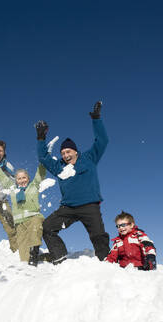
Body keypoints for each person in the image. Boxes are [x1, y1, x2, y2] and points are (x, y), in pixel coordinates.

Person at [35, 101, 110, 264]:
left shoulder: (89, 158)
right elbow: (43, 158)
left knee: (98, 235)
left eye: (68, 151)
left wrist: (96, 119)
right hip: (68, 208)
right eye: (62, 153)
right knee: (47, 227)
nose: (65, 155)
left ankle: (106, 262)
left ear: (76, 151)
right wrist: (41, 138)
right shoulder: (59, 167)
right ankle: (59, 254)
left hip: (89, 206)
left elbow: (102, 141)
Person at [0, 148, 49, 265]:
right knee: (24, 258)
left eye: (24, 178)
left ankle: (35, 253)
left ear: (28, 179)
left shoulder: (34, 186)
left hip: (34, 218)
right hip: (19, 224)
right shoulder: (13, 189)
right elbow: (1, 175)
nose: (22, 180)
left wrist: (44, 155)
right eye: (19, 178)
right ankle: (38, 258)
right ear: (16, 180)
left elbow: (41, 172)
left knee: (35, 230)